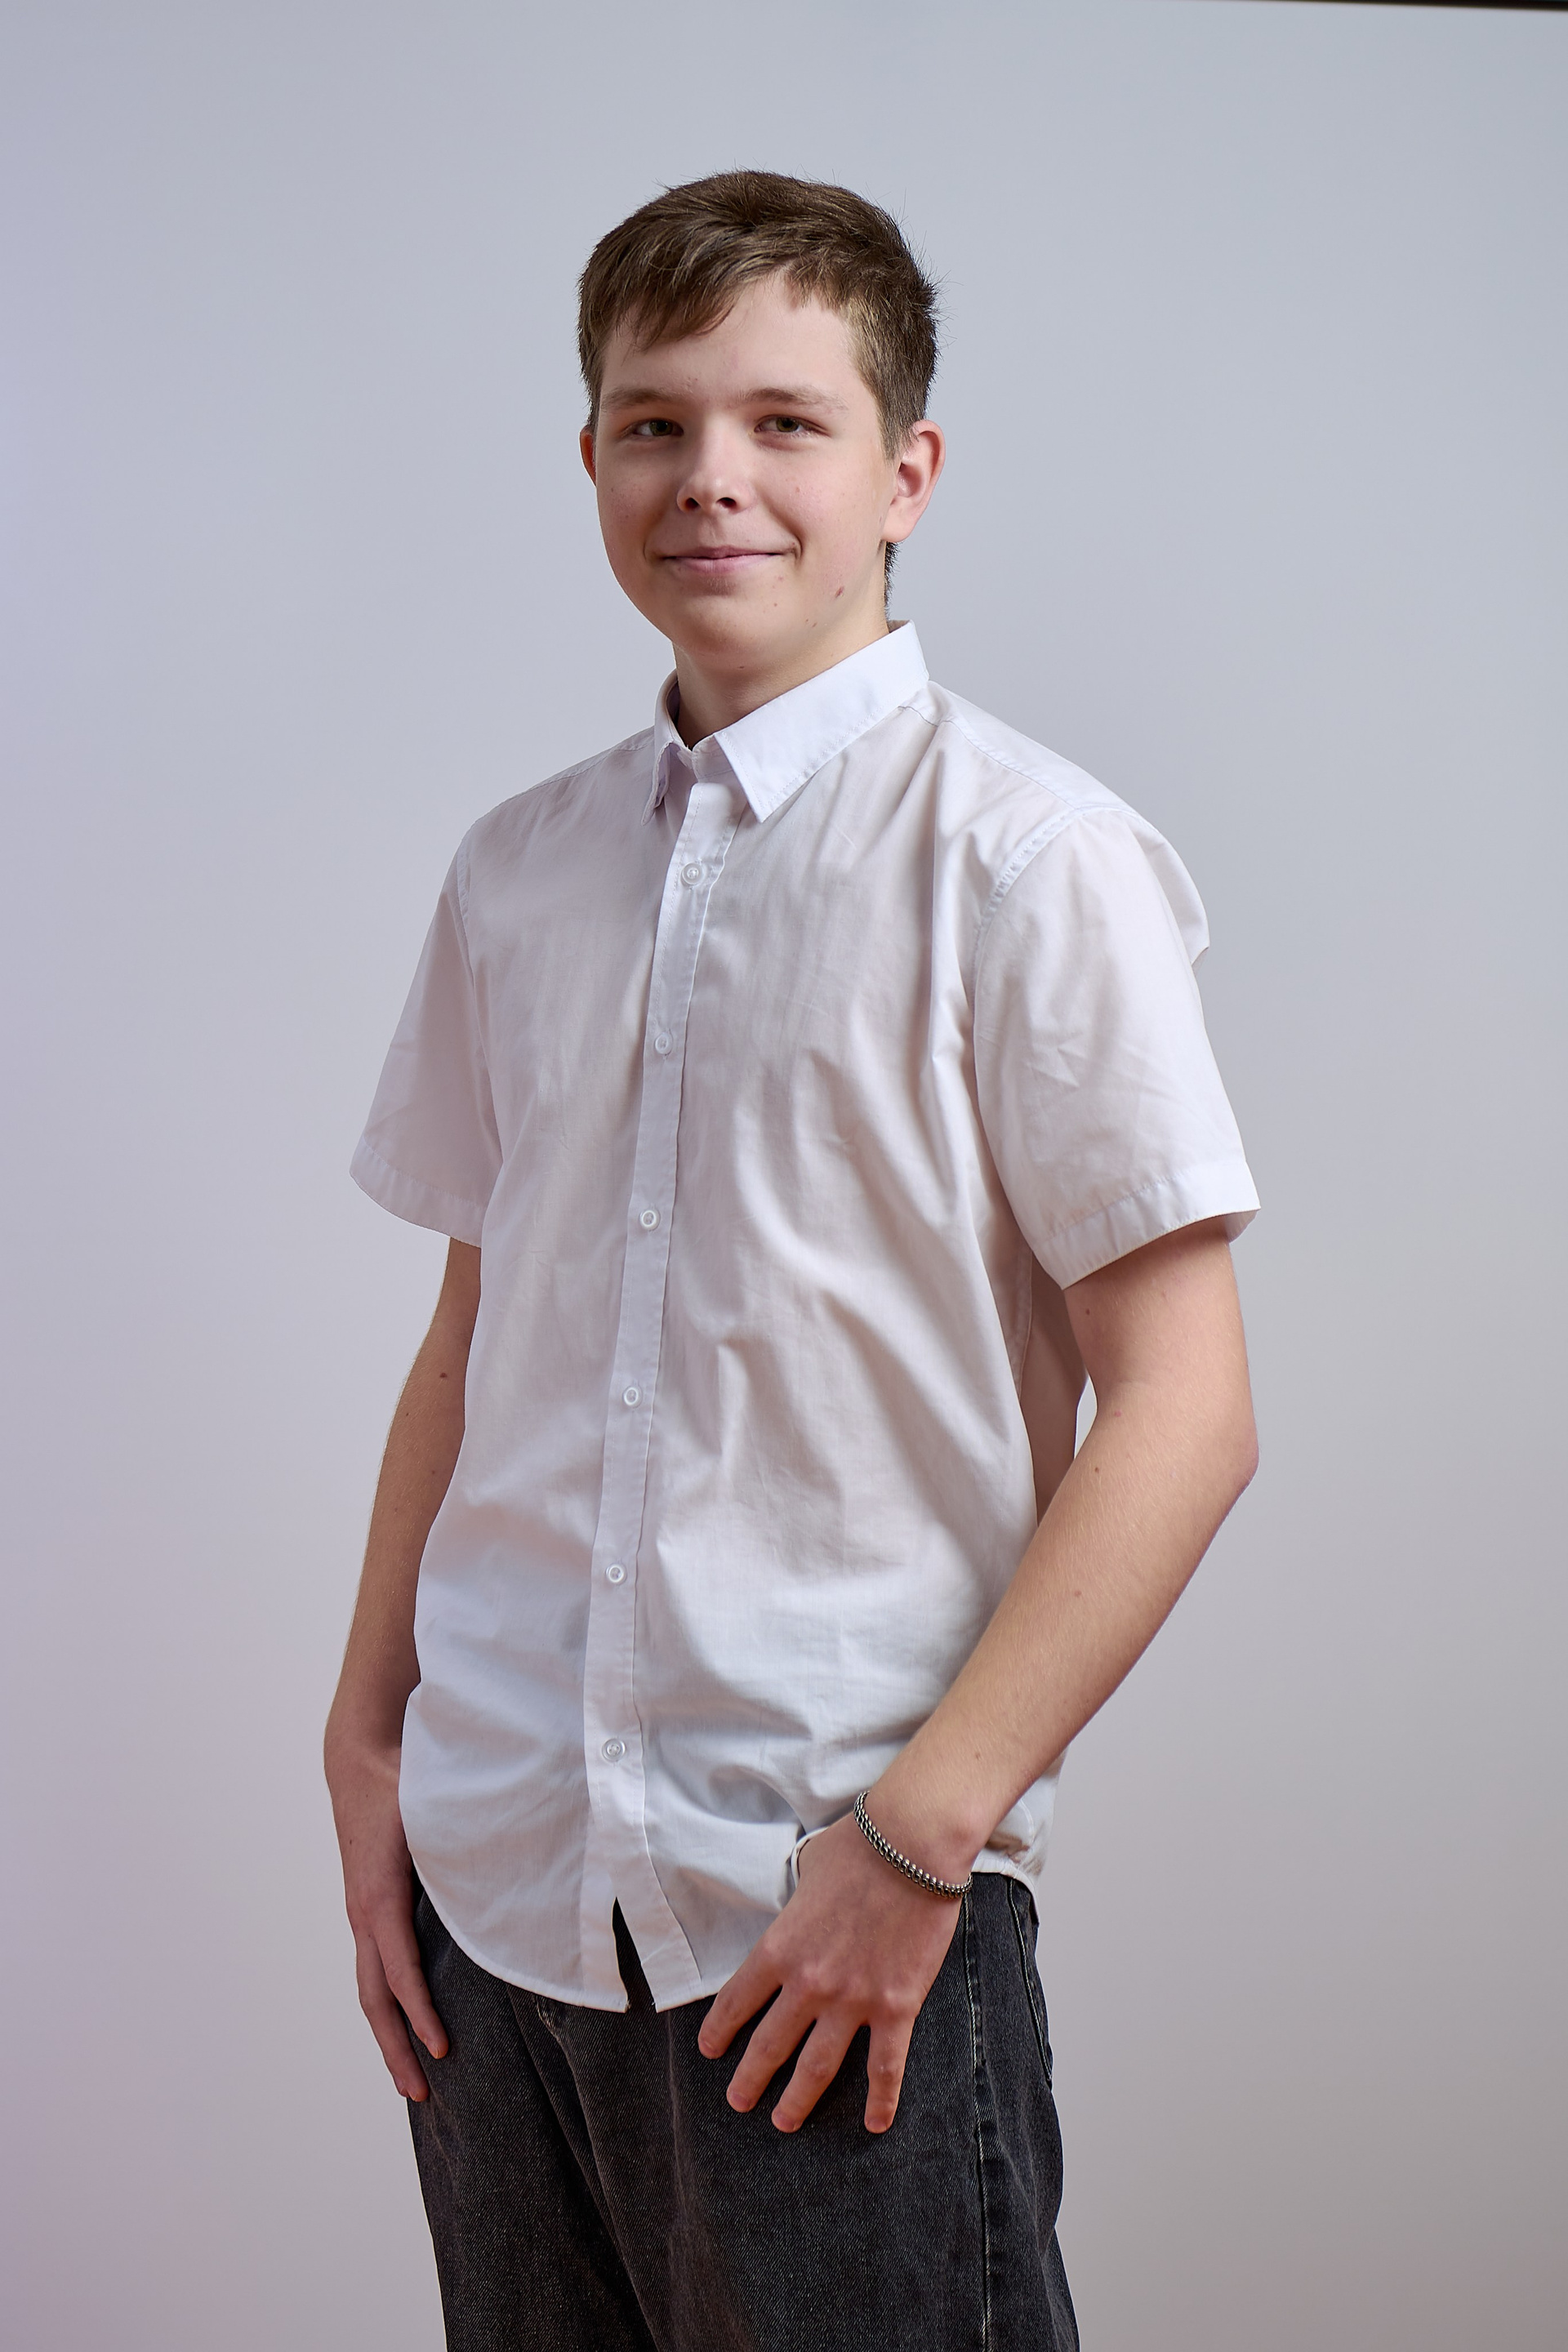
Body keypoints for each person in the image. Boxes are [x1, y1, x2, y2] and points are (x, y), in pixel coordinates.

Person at [324, 170, 1259, 2352]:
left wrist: (920, 1842)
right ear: (590, 459)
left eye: (784, 422)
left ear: (904, 472)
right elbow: (473, 1337)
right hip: (497, 1903)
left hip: (824, 1914)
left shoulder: (1031, 860)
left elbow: (1191, 1410)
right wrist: (366, 1747)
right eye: (653, 424)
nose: (711, 476)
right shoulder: (515, 874)